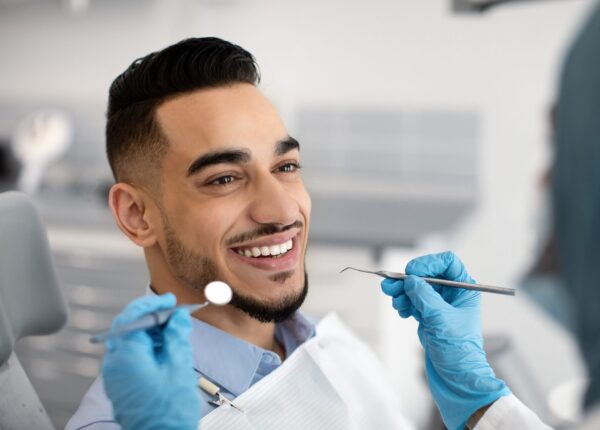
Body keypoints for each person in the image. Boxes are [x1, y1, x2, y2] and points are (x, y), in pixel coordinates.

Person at [89, 1, 600, 424]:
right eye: (224, 178)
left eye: (286, 166)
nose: (282, 207)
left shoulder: (328, 347)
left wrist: (480, 405)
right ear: (136, 215)